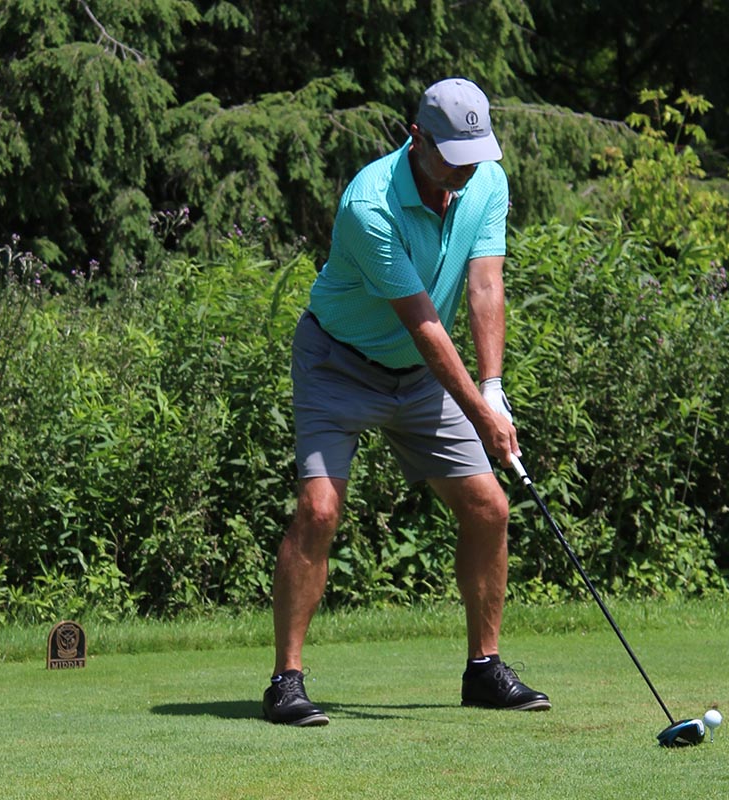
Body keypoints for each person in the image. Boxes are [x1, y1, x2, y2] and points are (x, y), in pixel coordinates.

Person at [262, 78, 551, 726]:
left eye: (475, 150)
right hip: (339, 363)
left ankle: (484, 670)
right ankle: (285, 682)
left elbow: (484, 288)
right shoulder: (370, 204)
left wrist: (494, 389)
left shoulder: (486, 180)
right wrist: (481, 415)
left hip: (422, 382)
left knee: (489, 508)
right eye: (452, 152)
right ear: (416, 138)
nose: (465, 165)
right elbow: (423, 324)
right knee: (319, 508)